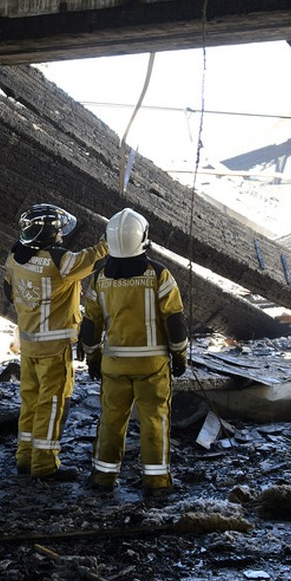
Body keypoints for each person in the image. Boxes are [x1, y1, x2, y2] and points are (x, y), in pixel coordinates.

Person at [79, 208, 189, 496]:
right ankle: (156, 481)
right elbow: (175, 321)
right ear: (143, 238)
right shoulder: (159, 275)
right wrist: (180, 356)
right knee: (155, 421)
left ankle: (103, 478)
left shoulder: (100, 278)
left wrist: (92, 358)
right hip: (152, 366)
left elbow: (90, 325)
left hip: (114, 365)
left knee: (111, 420)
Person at [4, 202, 107, 481]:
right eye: (59, 232)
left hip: (28, 346)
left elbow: (8, 292)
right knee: (52, 406)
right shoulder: (60, 261)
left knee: (30, 402)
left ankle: (24, 458)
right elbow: (94, 259)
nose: (62, 236)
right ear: (50, 235)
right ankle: (45, 464)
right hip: (54, 349)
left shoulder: (14, 257)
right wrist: (110, 239)